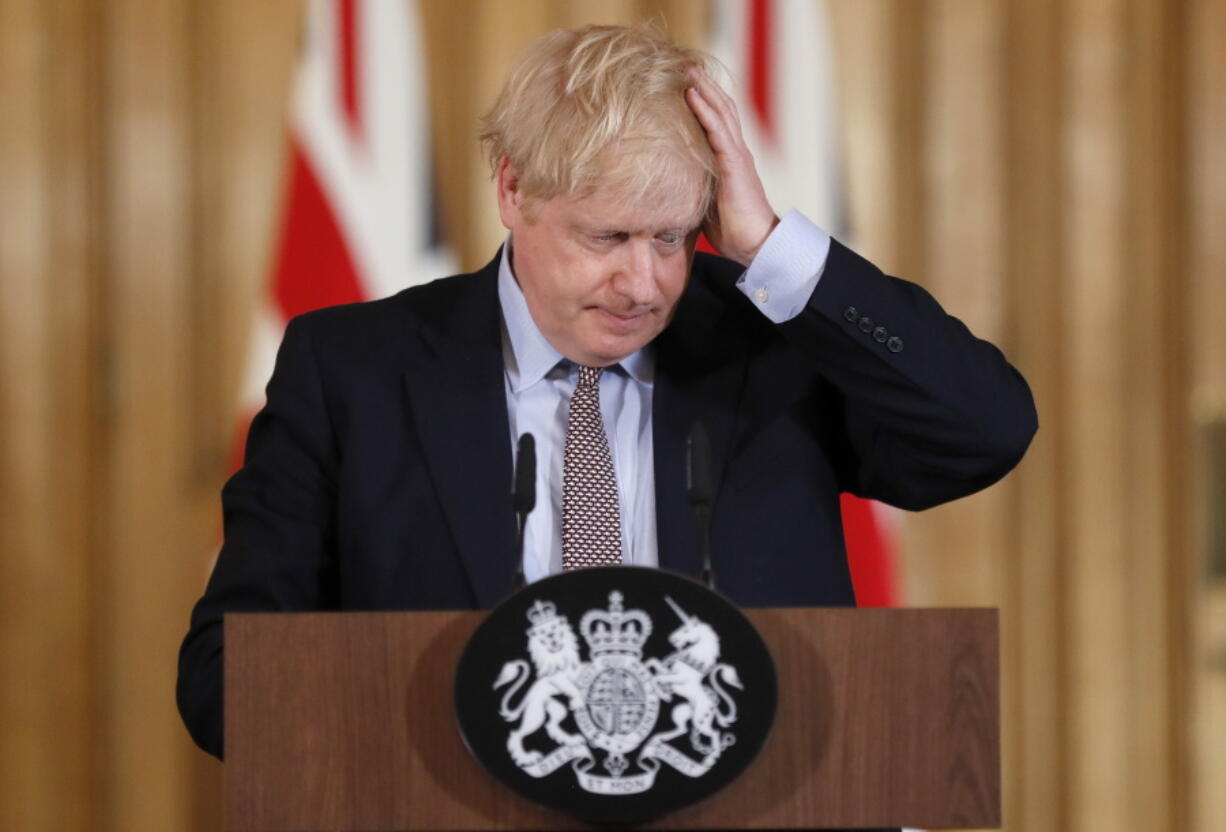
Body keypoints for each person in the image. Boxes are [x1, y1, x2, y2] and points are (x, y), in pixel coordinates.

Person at [178, 23, 1036, 761]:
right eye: (609, 236)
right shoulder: (353, 372)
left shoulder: (771, 346)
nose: (644, 283)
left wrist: (769, 246)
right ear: (513, 189)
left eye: (672, 237)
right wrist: (453, 724)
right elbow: (229, 676)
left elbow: (985, 429)